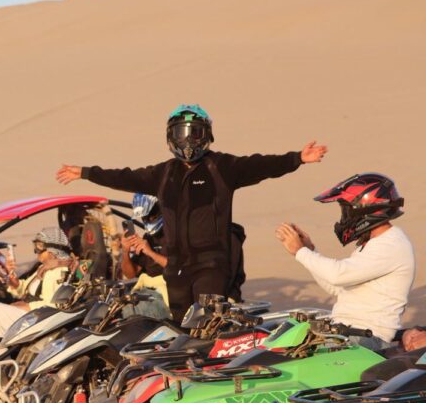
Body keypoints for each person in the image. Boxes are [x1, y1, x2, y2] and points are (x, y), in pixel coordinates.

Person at [56, 104, 328, 320]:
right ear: (170, 137)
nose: (187, 140)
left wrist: (297, 159)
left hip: (211, 266)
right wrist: (86, 173)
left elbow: (260, 165)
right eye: (180, 133)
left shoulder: (221, 167)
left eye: (194, 133)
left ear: (206, 135)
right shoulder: (163, 174)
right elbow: (125, 177)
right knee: (181, 328)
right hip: (176, 268)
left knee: (207, 325)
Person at [275, 173, 415, 351]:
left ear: (366, 209)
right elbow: (339, 288)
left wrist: (301, 252)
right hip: (346, 333)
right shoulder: (373, 243)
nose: (344, 217)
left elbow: (338, 275)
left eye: (347, 210)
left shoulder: (391, 245)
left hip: (366, 340)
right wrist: (309, 251)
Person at [0, 227, 74, 361]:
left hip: (39, 320)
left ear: (52, 250)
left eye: (40, 247)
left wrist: (25, 307)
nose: (36, 251)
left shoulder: (59, 271)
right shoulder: (43, 267)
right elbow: (25, 289)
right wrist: (14, 283)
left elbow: (54, 305)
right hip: (30, 315)